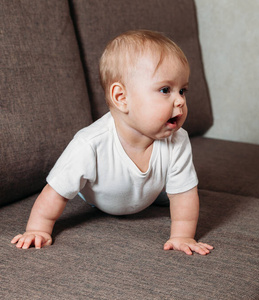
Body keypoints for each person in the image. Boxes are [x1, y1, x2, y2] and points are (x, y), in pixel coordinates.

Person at [11, 30, 213, 256]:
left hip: (150, 192)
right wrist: (38, 230)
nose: (180, 101)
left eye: (183, 90)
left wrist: (182, 235)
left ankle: (159, 191)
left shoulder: (178, 140)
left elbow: (184, 195)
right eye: (165, 90)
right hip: (100, 194)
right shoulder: (90, 144)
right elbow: (54, 192)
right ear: (121, 98)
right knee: (69, 182)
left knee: (183, 190)